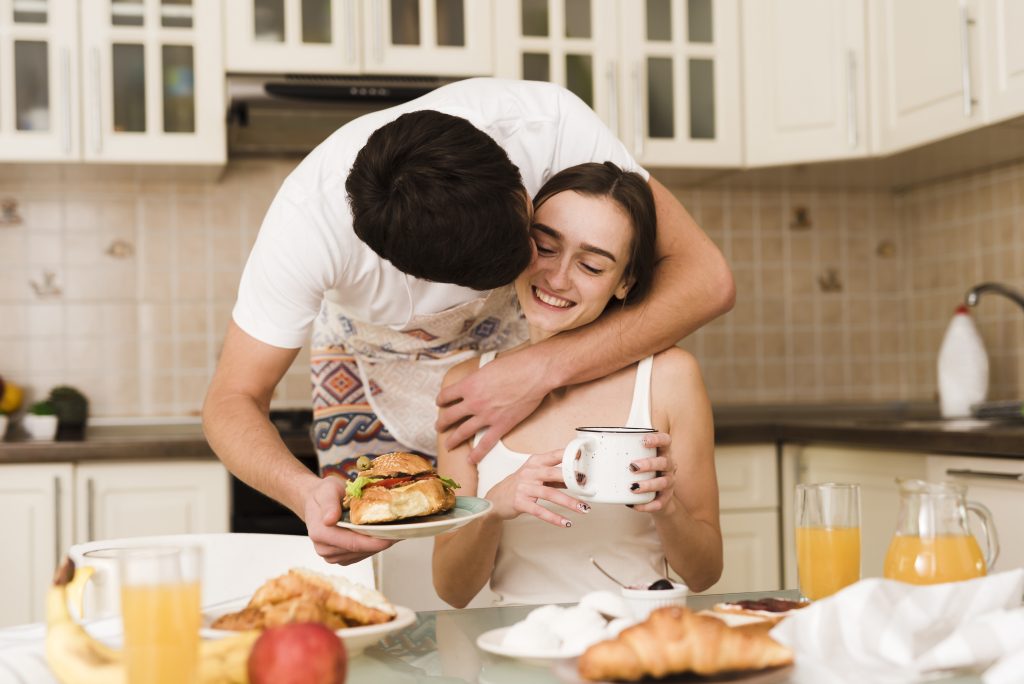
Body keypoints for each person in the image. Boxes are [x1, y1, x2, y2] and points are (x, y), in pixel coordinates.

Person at [203, 78, 734, 567]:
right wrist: (301, 492)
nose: (546, 267)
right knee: (389, 566)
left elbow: (708, 279)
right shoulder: (306, 230)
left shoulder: (548, 128)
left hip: (515, 338)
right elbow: (232, 400)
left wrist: (542, 367)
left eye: (536, 238)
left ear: (512, 175)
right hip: (369, 361)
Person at [432, 162, 722, 607]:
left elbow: (704, 573)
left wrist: (668, 508)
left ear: (625, 281)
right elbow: (451, 590)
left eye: (590, 265)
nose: (558, 277)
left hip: (635, 649)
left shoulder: (668, 377)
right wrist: (494, 506)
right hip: (516, 652)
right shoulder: (469, 384)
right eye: (546, 247)